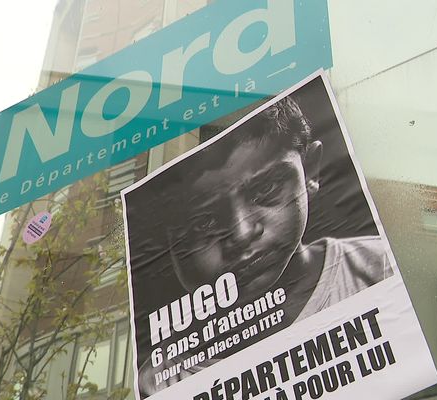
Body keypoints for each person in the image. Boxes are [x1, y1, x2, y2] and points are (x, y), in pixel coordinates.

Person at [131, 91, 393, 397]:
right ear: (166, 237)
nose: (241, 234)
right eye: (204, 222)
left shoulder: (380, 267)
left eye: (266, 188)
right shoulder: (165, 382)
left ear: (310, 171)